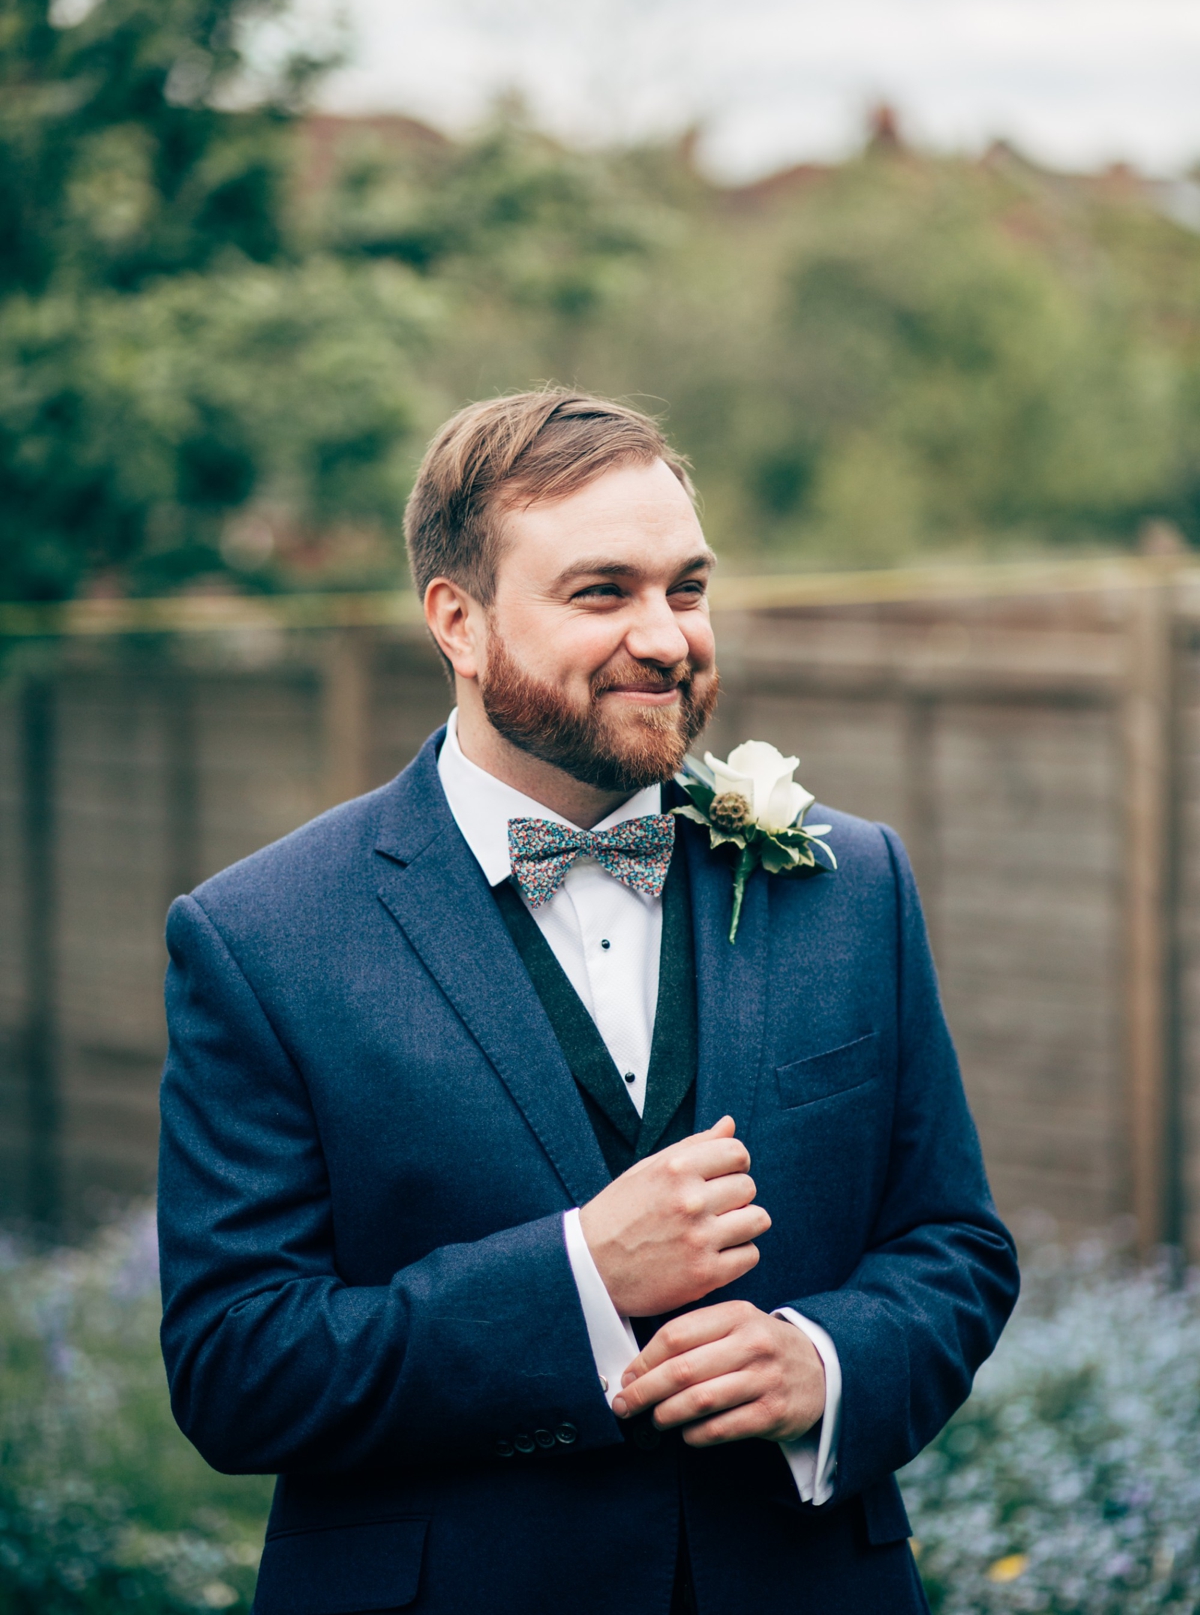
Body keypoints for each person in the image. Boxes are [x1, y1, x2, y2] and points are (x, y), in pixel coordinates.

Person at [158, 389, 1019, 1615]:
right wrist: (578, 1280)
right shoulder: (261, 939)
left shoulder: (852, 882)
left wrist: (825, 1363)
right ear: (458, 622)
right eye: (603, 592)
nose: (668, 639)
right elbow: (237, 1366)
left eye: (688, 588)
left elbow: (957, 1251)